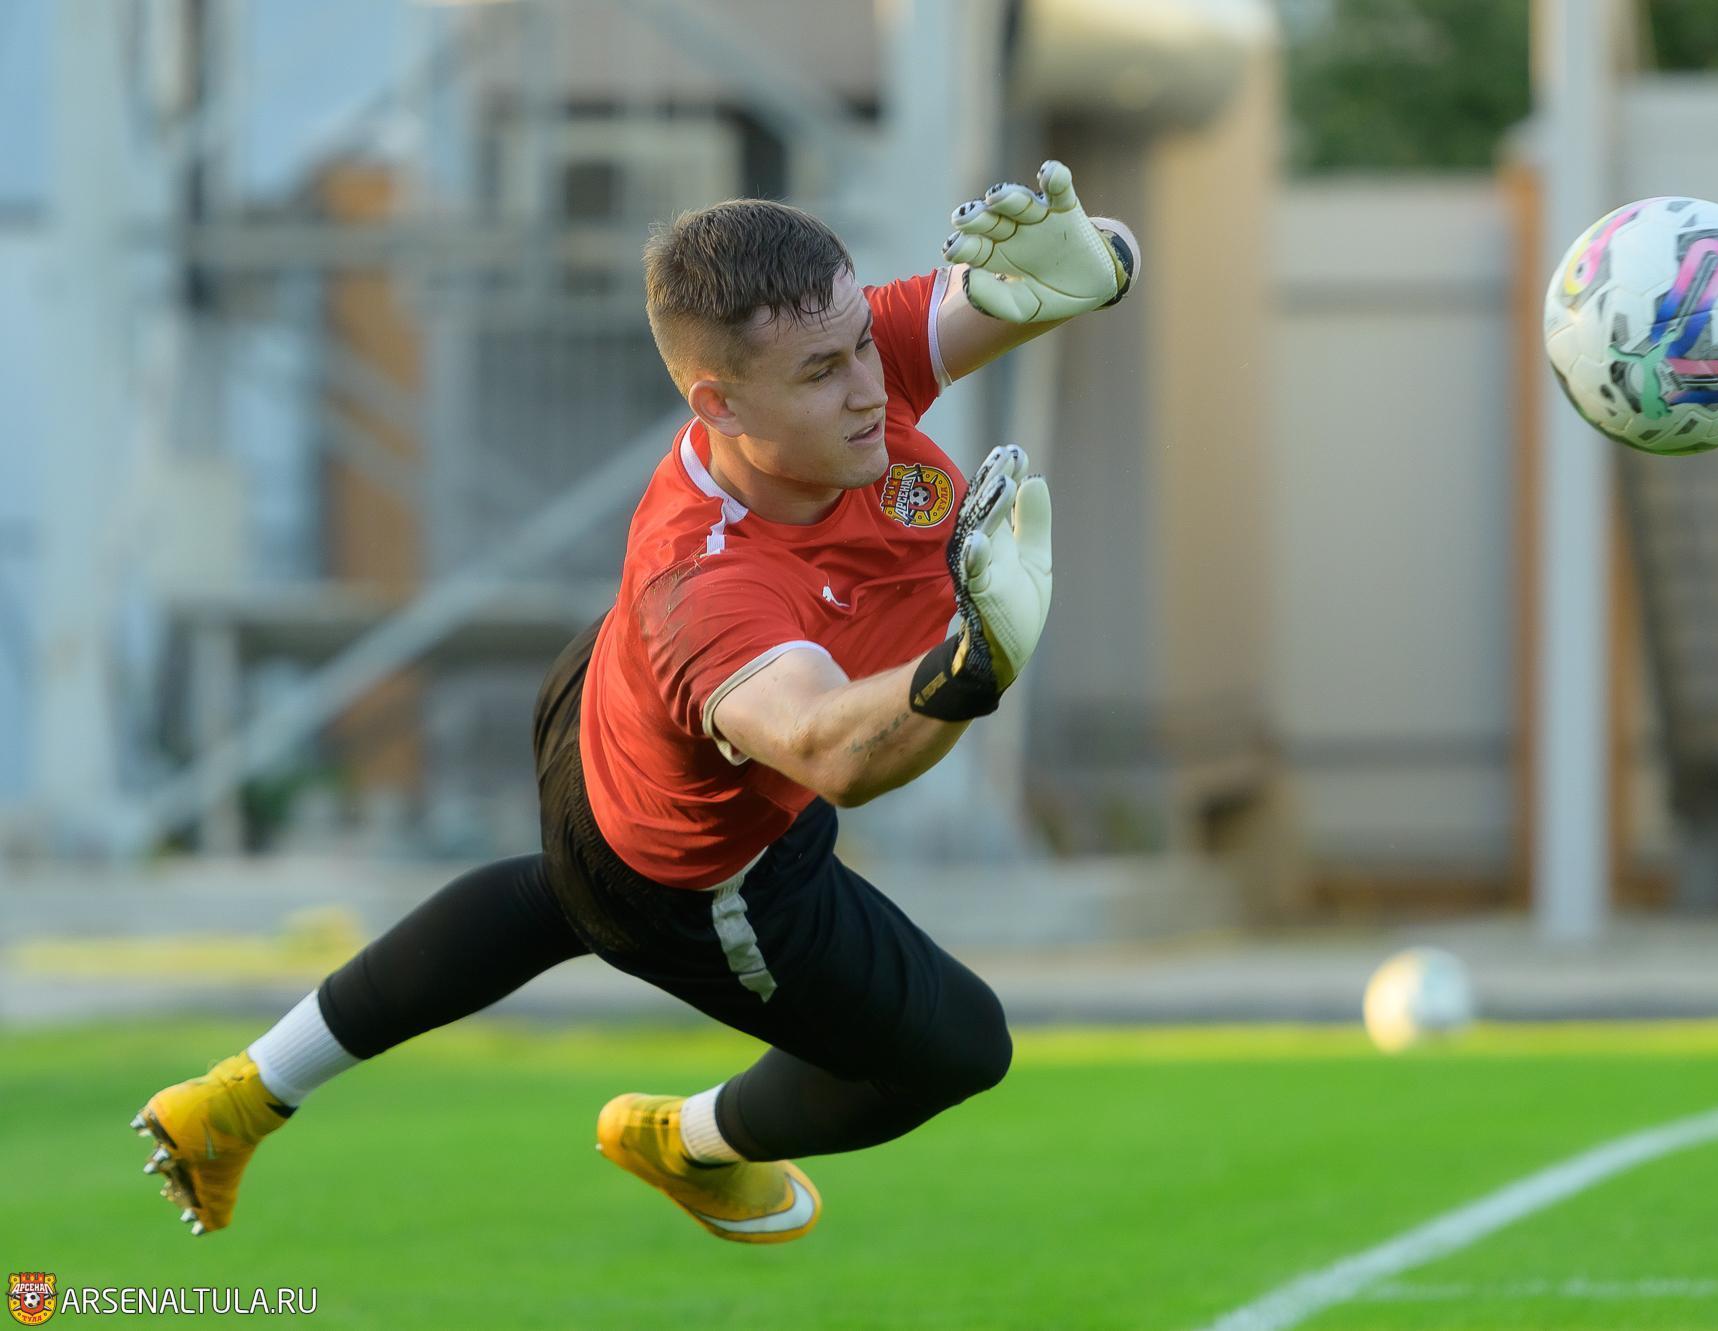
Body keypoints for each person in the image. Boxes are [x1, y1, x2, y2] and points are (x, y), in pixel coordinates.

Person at [132, 161, 1139, 1244]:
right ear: (718, 403)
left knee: (554, 895)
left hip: (598, 711)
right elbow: (831, 751)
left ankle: (242, 1093)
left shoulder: (831, 363)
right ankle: (688, 1141)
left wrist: (1101, 265)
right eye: (822, 370)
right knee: (957, 1048)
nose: (866, 387)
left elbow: (1053, 275)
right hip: (703, 874)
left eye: (861, 342)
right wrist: (970, 667)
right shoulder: (707, 585)